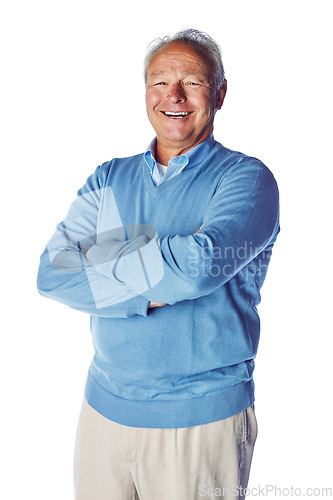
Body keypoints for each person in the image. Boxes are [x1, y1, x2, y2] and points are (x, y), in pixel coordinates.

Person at [37, 29, 280, 500]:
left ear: (220, 93)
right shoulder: (110, 175)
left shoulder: (247, 180)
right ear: (146, 92)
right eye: (159, 82)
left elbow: (199, 266)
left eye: (192, 81)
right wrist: (163, 257)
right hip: (102, 412)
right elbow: (53, 272)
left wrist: (110, 253)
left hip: (200, 420)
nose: (174, 95)